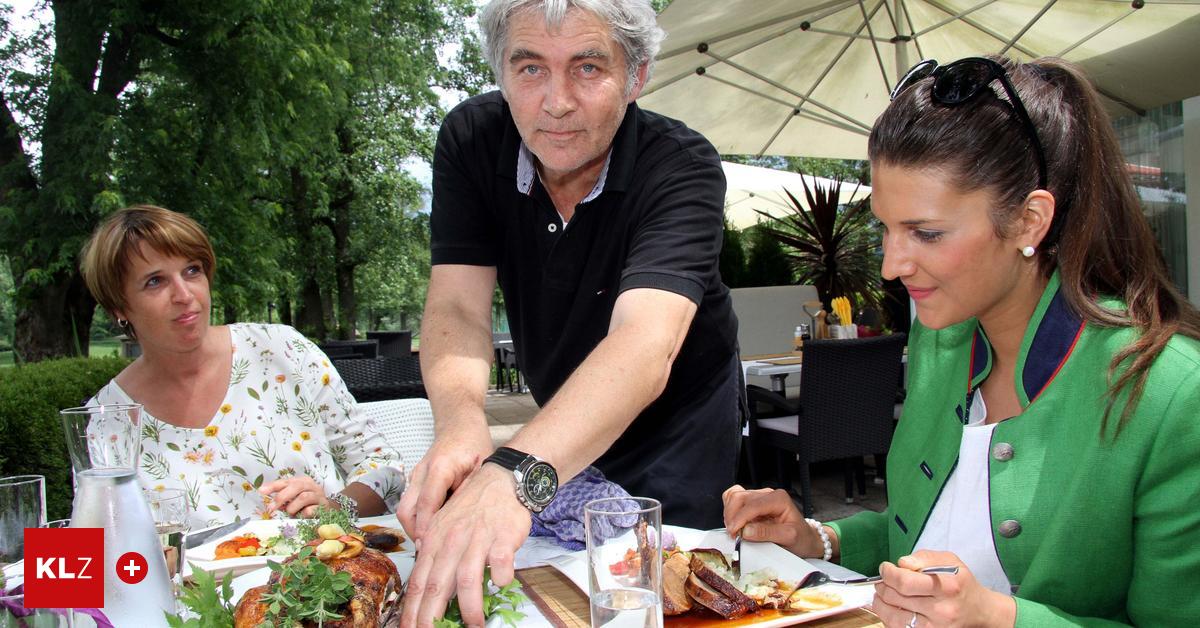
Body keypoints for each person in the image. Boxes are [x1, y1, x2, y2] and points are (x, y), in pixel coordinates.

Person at [724, 56, 1200, 627]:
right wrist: (817, 538)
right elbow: (930, 526)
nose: (893, 265)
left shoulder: (1169, 391)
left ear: (1028, 221)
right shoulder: (938, 336)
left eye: (926, 232)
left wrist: (999, 618)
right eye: (884, 227)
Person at [397, 0, 740, 624]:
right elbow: (456, 305)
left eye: (587, 68)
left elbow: (644, 346)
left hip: (676, 430)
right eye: (529, 69)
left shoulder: (681, 167)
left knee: (667, 600)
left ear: (636, 77)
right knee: (542, 598)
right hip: (557, 417)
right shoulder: (472, 141)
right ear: (500, 72)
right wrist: (459, 422)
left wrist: (509, 474)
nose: (555, 102)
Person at [80, 205, 405, 529]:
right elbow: (87, 547)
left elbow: (383, 465)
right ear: (118, 307)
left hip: (321, 574)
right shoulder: (108, 419)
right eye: (155, 281)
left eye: (192, 270)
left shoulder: (281, 349)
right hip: (189, 582)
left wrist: (335, 508)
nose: (184, 294)